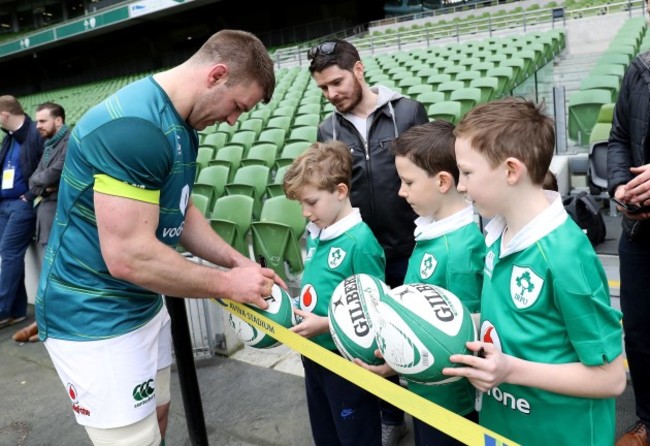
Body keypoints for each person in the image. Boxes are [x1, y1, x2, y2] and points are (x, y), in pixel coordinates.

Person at [34, 29, 284, 446]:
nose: (233, 119)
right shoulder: (135, 127)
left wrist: (238, 263)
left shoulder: (181, 123)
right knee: (136, 439)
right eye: (237, 105)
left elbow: (181, 210)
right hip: (94, 315)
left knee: (159, 417)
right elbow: (129, 257)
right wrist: (227, 284)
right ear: (217, 75)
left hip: (141, 302)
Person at [443, 97, 626, 446]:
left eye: (466, 172)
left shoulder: (566, 256)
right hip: (504, 425)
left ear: (512, 171)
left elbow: (612, 379)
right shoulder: (496, 233)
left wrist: (510, 370)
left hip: (561, 434)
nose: (461, 185)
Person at [308, 38, 428, 445]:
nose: (332, 94)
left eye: (337, 82)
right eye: (324, 88)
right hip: (363, 253)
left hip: (410, 249)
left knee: (416, 334)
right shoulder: (328, 128)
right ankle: (390, 413)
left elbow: (427, 171)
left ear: (358, 70)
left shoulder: (407, 111)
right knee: (376, 341)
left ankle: (433, 413)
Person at [355, 120, 484, 446]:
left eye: (408, 181)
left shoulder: (460, 250)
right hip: (425, 393)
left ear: (443, 181)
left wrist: (398, 366)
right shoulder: (433, 233)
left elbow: (462, 342)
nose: (401, 191)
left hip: (451, 405)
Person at [284, 140, 386, 446]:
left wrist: (326, 324)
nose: (304, 212)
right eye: (300, 204)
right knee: (325, 432)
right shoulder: (319, 232)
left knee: (355, 435)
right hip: (314, 354)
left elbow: (375, 309)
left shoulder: (361, 242)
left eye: (311, 202)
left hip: (345, 359)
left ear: (340, 192)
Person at [607, 42, 650, 445]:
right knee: (639, 331)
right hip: (641, 233)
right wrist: (621, 185)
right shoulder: (640, 69)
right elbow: (619, 136)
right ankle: (647, 420)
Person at [13, 102, 71, 343]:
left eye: (42, 121)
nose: (37, 126)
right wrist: (41, 185)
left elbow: (54, 173)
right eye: (37, 121)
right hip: (46, 213)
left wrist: (42, 184)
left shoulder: (69, 143)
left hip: (58, 214)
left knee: (58, 273)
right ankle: (47, 322)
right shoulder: (49, 146)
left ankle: (53, 325)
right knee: (52, 274)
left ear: (58, 120)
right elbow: (34, 179)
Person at [0, 95, 44, 329]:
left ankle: (1, 309)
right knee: (9, 256)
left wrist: (30, 195)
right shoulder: (8, 138)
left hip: (22, 204)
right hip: (4, 204)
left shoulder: (35, 133)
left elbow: (44, 166)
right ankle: (14, 311)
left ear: (4, 114)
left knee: (9, 253)